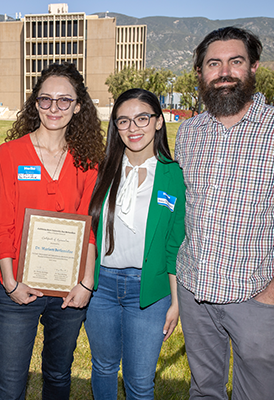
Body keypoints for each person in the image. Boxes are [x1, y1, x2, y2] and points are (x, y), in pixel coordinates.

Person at [175, 26, 274, 400]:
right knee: (204, 389)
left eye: (235, 62)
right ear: (201, 73)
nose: (224, 72)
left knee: (262, 394)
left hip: (256, 293)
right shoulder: (189, 134)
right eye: (213, 64)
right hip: (195, 289)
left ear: (253, 67)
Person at [0, 62, 104, 399]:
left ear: (79, 105)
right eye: (45, 99)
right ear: (34, 103)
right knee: (9, 387)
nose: (54, 108)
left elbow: (90, 226)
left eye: (64, 100)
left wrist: (86, 282)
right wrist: (11, 282)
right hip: (17, 286)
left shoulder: (88, 159)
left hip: (69, 291)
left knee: (57, 377)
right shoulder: (11, 153)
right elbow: (3, 224)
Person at [85, 88, 185, 399]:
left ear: (158, 122)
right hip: (101, 288)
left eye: (142, 118)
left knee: (140, 382)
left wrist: (176, 300)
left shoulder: (174, 175)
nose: (133, 128)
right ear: (115, 126)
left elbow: (174, 244)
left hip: (149, 291)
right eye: (123, 121)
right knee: (102, 366)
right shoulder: (101, 171)